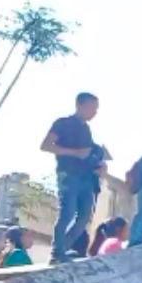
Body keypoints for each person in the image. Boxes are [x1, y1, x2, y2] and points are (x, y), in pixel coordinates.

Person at [41, 92, 105, 263]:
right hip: (68, 175)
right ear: (80, 105)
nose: (94, 112)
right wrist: (74, 153)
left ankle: (63, 249)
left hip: (86, 178)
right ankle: (56, 253)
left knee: (84, 217)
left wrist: (100, 165)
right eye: (92, 107)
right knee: (67, 213)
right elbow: (46, 145)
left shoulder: (86, 129)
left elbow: (90, 153)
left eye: (96, 109)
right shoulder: (63, 123)